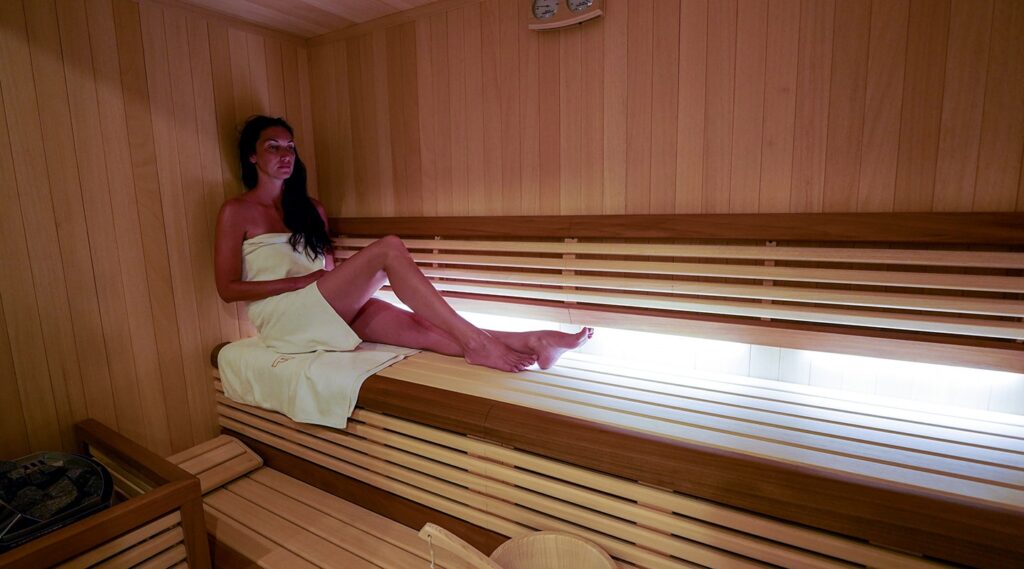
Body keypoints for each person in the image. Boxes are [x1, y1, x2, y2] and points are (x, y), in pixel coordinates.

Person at [214, 115, 592, 372]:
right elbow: (227, 288)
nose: (285, 155)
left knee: (418, 327)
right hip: (284, 319)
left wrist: (325, 283)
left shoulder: (311, 209)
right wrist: (298, 283)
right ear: (252, 155)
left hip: (319, 303)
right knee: (388, 248)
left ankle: (535, 340)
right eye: (272, 147)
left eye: (290, 147)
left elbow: (326, 271)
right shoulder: (237, 211)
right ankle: (477, 343)